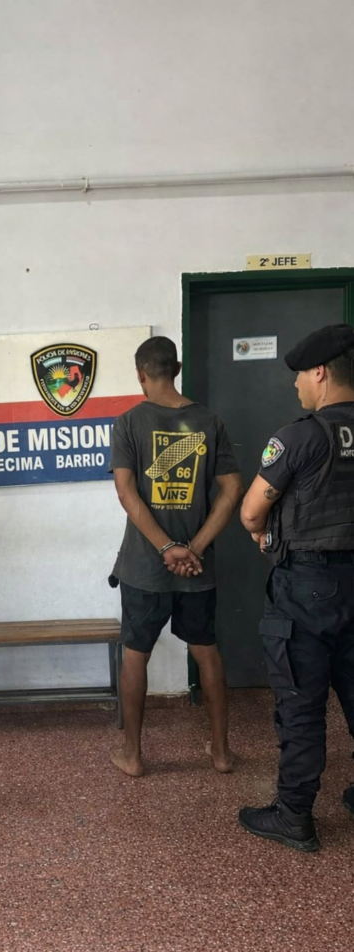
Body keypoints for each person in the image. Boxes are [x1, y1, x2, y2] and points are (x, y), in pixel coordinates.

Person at [238, 323, 354, 853]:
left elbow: (251, 512)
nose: (296, 384)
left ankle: (294, 816)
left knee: (301, 706)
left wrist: (263, 533)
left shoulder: (302, 436)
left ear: (321, 373)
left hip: (308, 587)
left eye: (301, 374)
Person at [109, 336, 243, 777]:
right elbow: (232, 490)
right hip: (196, 568)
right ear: (178, 368)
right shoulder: (209, 421)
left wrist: (165, 548)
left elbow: (125, 492)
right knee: (206, 653)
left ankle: (132, 756)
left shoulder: (128, 422)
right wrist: (195, 547)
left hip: (143, 567)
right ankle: (221, 753)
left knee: (135, 655)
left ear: (140, 374)